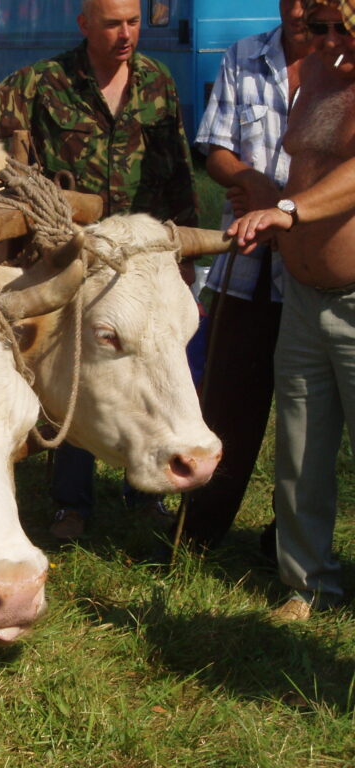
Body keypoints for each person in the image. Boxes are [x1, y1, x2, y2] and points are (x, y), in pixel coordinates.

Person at [0, 0, 198, 540]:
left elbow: (177, 165)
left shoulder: (157, 81)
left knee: (145, 364)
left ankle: (143, 489)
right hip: (77, 257)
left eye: (133, 23)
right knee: (78, 369)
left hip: (141, 261)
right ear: (84, 26)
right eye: (112, 24)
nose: (126, 35)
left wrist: (187, 253)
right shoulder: (42, 82)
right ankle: (71, 503)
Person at [228, 0, 355, 620]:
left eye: (345, 27)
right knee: (300, 451)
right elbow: (304, 165)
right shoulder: (320, 74)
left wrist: (292, 212)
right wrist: (271, 208)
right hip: (304, 297)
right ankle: (307, 587)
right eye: (323, 26)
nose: (331, 39)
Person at [186, 0, 312, 549]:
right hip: (246, 263)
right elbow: (213, 146)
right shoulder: (243, 56)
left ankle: (288, 539)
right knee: (226, 402)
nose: (303, 10)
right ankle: (198, 531)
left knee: (307, 415)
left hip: (313, 268)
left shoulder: (342, 66)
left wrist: (289, 206)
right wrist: (252, 182)